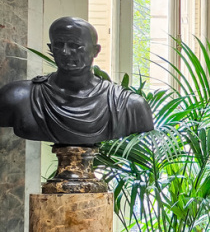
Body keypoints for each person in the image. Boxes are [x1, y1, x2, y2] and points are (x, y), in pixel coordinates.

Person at [0, 17, 153, 146]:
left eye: (75, 45)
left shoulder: (130, 105)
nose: (65, 52)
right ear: (51, 48)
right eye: (59, 45)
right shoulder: (17, 97)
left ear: (96, 50)